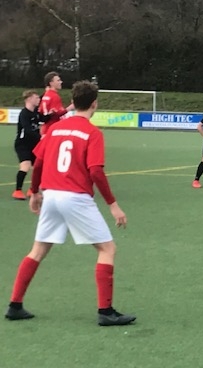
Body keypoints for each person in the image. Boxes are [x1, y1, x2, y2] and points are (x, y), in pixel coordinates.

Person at [5, 80, 135, 326]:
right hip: (75, 197)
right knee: (107, 249)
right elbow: (95, 171)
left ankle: (15, 305)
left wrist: (34, 191)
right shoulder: (92, 133)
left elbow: (39, 162)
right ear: (94, 104)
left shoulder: (55, 129)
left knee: (38, 251)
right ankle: (105, 311)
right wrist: (113, 204)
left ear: (73, 102)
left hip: (51, 196)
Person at [13, 90, 42, 200]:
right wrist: (41, 137)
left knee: (38, 167)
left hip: (34, 144)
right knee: (25, 165)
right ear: (29, 99)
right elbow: (28, 130)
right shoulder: (24, 114)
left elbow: (45, 118)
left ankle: (32, 190)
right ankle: (17, 191)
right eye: (36, 97)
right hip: (23, 144)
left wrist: (55, 113)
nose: (39, 99)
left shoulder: (36, 113)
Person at [39, 71, 74, 136]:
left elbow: (40, 111)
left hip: (45, 129)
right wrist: (71, 107)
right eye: (58, 80)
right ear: (51, 83)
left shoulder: (46, 95)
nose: (61, 82)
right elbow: (58, 113)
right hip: (52, 128)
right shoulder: (54, 96)